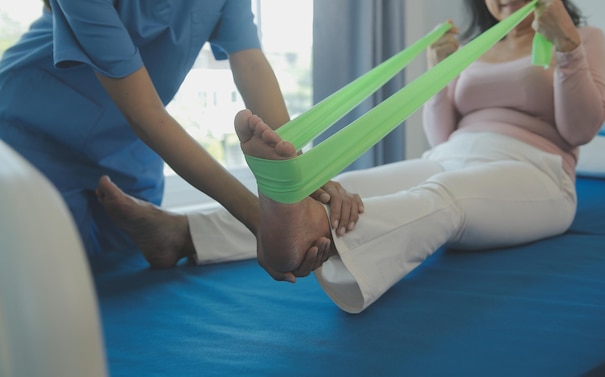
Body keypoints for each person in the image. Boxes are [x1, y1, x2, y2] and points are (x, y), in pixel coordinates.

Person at [226, 0, 605, 313]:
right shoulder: (475, 48)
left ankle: (310, 228)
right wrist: (440, 72)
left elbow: (579, 130)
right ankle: (186, 234)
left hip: (534, 169)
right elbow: (441, 134)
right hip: (449, 152)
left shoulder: (584, 38)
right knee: (348, 188)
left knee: (447, 193)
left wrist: (568, 49)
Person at [0, 0, 361, 280]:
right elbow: (148, 116)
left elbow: (250, 64)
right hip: (30, 138)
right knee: (48, 289)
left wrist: (303, 176)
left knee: (122, 281)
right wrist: (259, 220)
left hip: (127, 151)